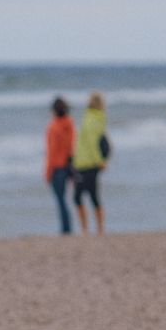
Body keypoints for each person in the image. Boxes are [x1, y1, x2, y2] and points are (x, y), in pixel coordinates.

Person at [73, 91, 109, 235]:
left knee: (85, 196)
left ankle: (91, 229)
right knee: (88, 196)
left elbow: (92, 143)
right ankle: (94, 228)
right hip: (84, 162)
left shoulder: (90, 119)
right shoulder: (96, 118)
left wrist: (99, 161)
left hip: (87, 163)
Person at [45, 96, 76, 235]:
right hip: (68, 165)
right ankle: (67, 227)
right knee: (64, 198)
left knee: (60, 199)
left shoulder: (53, 127)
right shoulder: (70, 125)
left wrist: (48, 171)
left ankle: (65, 228)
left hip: (57, 166)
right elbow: (72, 147)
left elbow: (51, 151)